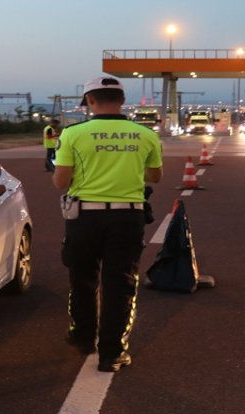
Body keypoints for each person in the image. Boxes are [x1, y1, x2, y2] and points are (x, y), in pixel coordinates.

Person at [53, 76, 163, 372]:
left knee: (82, 278)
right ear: (122, 100)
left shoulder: (74, 134)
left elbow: (60, 182)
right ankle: (112, 353)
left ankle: (83, 336)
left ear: (90, 101)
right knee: (121, 283)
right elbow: (155, 177)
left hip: (83, 218)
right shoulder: (145, 134)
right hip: (128, 217)